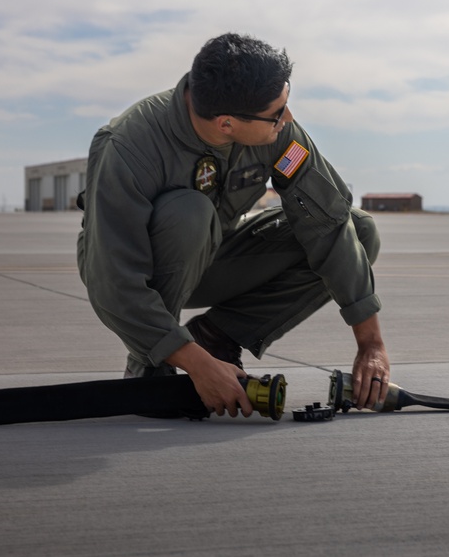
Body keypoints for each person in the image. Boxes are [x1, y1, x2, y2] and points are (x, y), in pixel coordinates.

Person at [76, 33, 390, 418]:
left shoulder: (279, 136)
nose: (288, 119)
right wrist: (195, 365)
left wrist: (370, 343)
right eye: (277, 113)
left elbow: (328, 224)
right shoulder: (128, 146)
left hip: (217, 255)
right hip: (143, 270)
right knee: (189, 212)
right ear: (226, 123)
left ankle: (218, 338)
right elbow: (113, 281)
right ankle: (153, 363)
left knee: (357, 230)